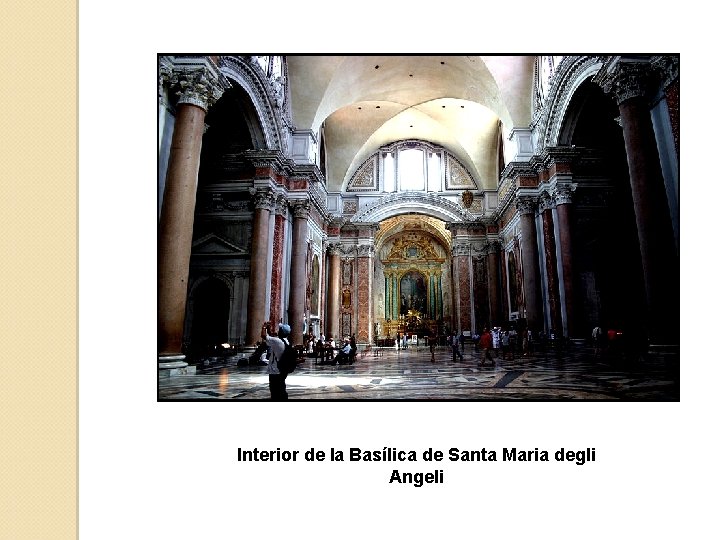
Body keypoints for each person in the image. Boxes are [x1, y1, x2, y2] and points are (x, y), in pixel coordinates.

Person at [261, 321, 292, 400]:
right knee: (281, 388)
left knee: (275, 391)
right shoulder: (286, 342)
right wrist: (269, 329)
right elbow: (272, 337)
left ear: (281, 332)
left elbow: (263, 336)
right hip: (282, 370)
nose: (278, 331)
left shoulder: (277, 342)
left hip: (275, 370)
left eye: (279, 330)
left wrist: (264, 327)